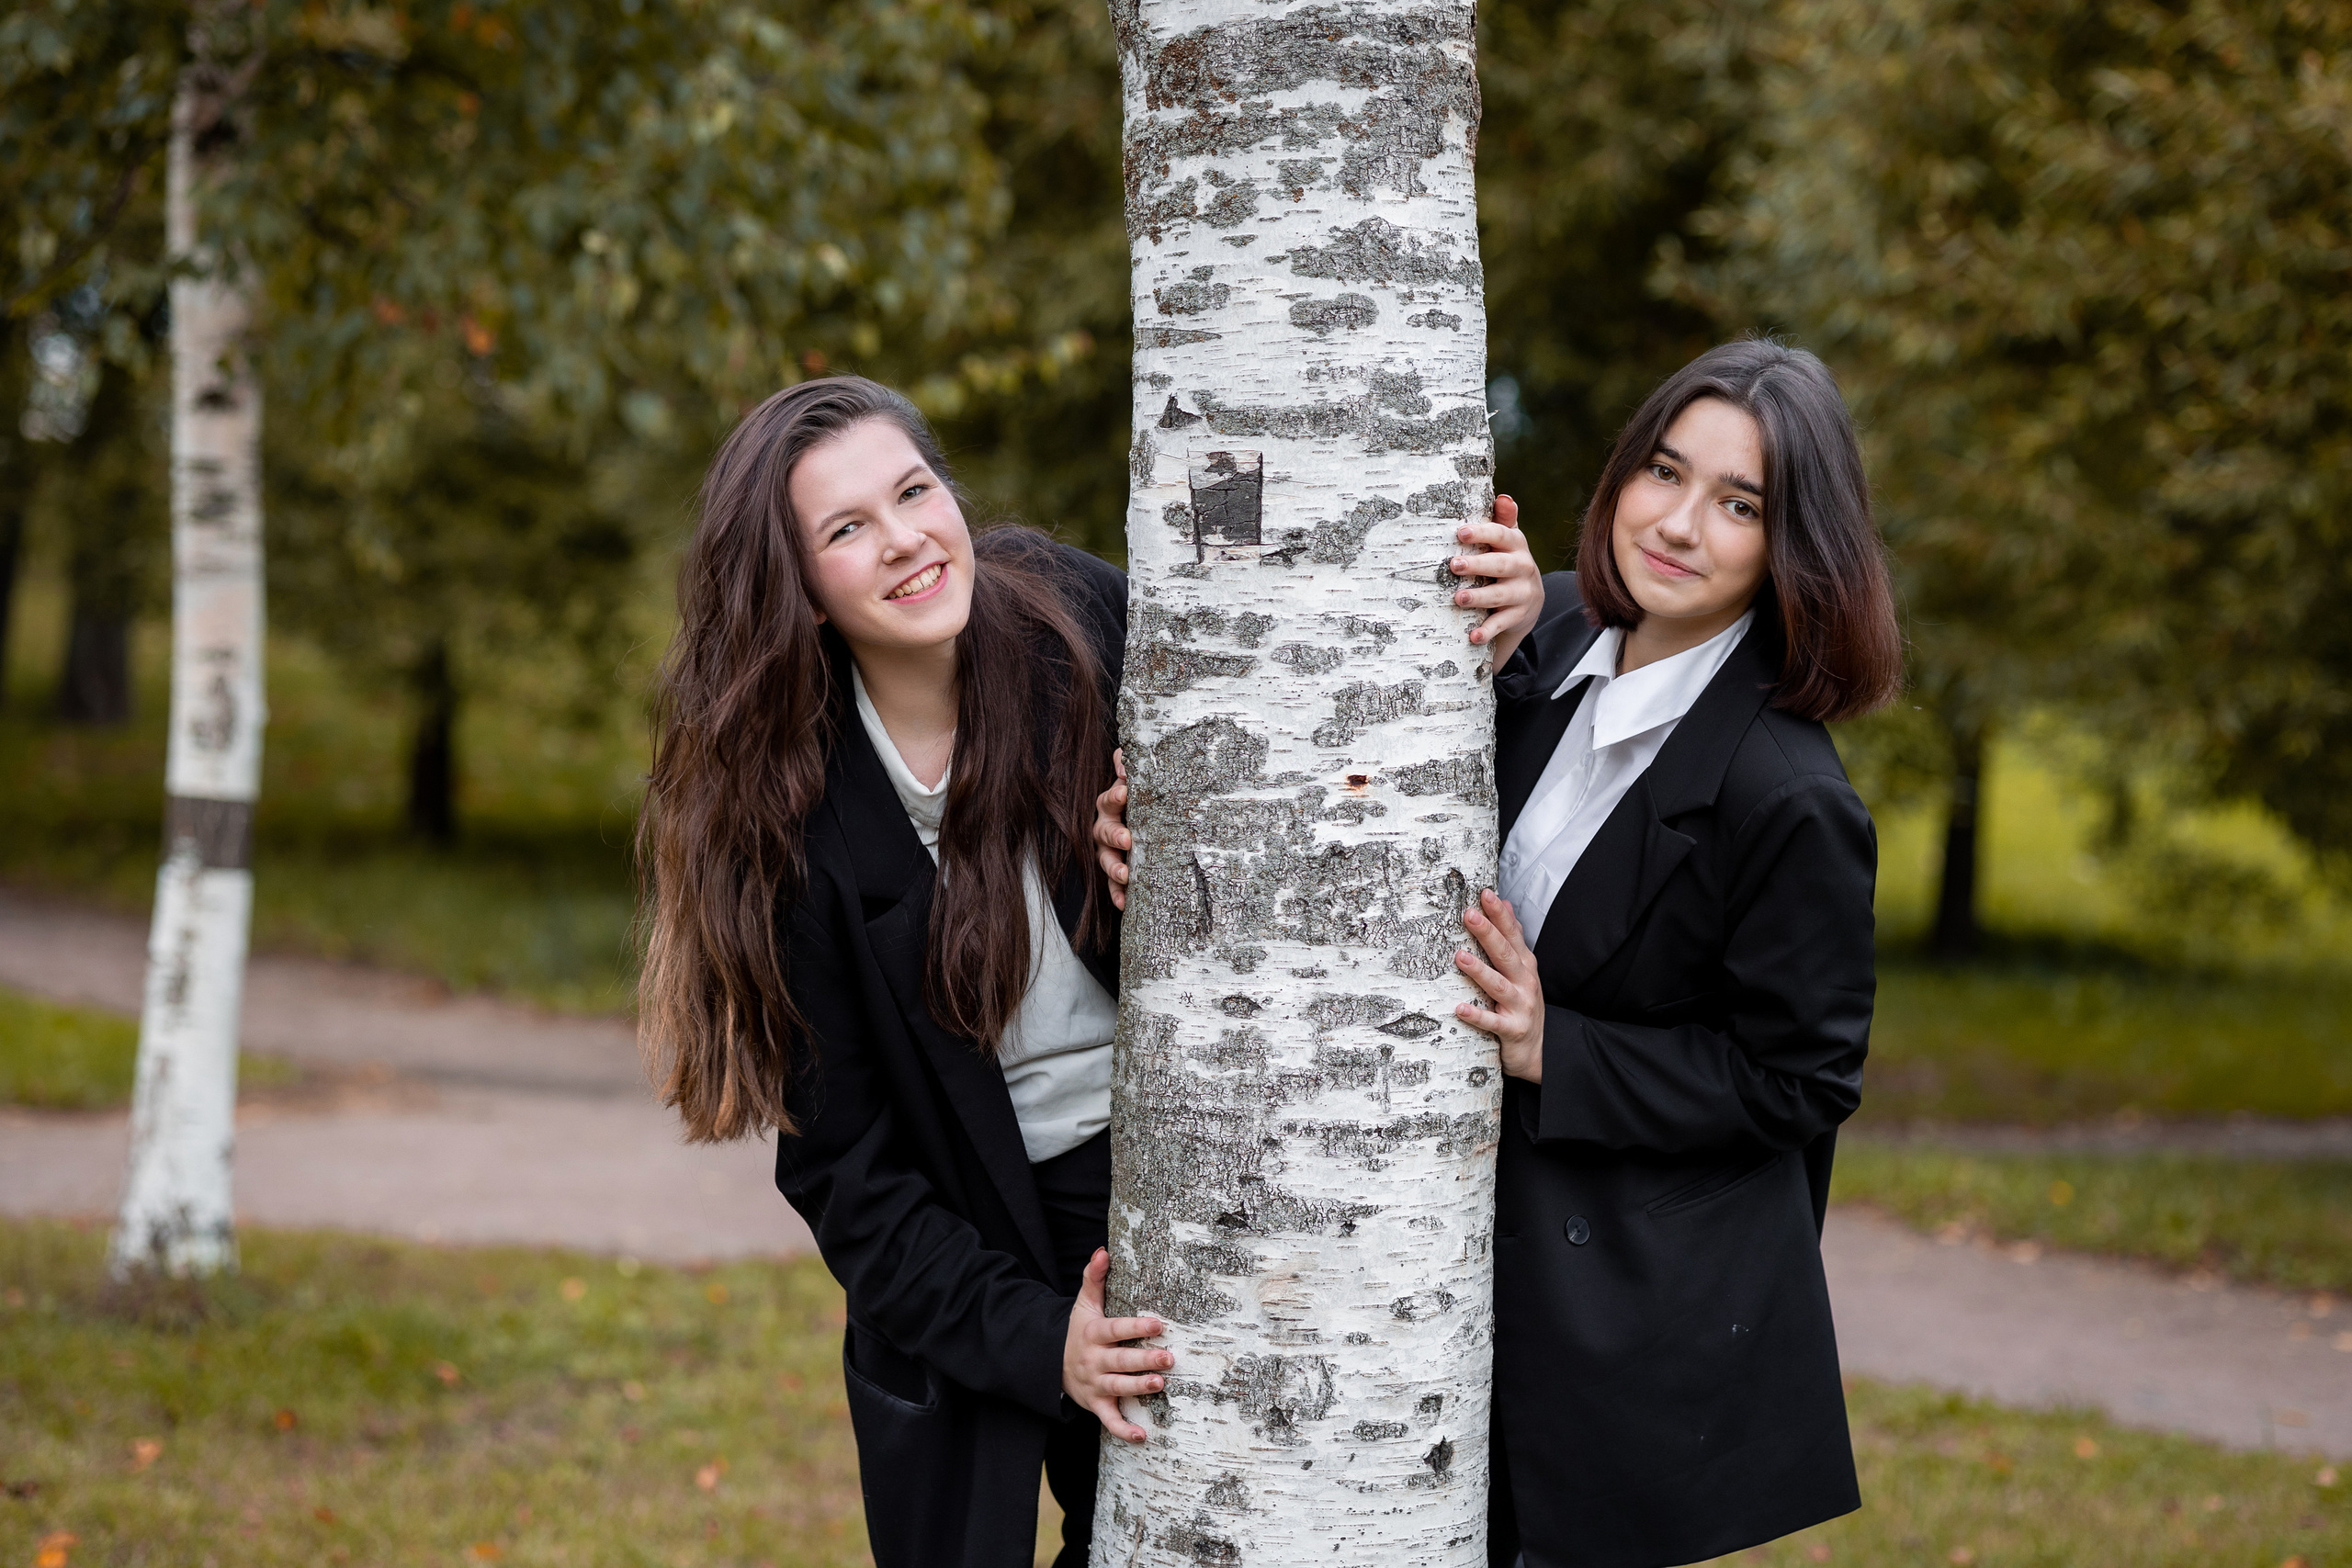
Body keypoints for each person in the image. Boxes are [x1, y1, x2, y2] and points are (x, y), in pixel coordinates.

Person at [636, 375, 1548, 1568]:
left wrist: (1500, 640)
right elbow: (851, 1180)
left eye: (914, 491)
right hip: (999, 1242)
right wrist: (1036, 1340)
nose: (905, 537)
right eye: (846, 530)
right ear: (799, 591)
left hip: (1223, 1155)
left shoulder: (1070, 622)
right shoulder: (794, 824)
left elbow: (1314, 740)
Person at [1098, 338, 1902, 1568]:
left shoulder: (1789, 799)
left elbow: (1800, 1084)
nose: (1680, 524)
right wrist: (1178, 854)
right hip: (1423, 1268)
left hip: (1605, 1320)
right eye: (1664, 473)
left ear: (1793, 545)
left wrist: (1552, 1046)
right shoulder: (1553, 634)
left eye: (1738, 504)